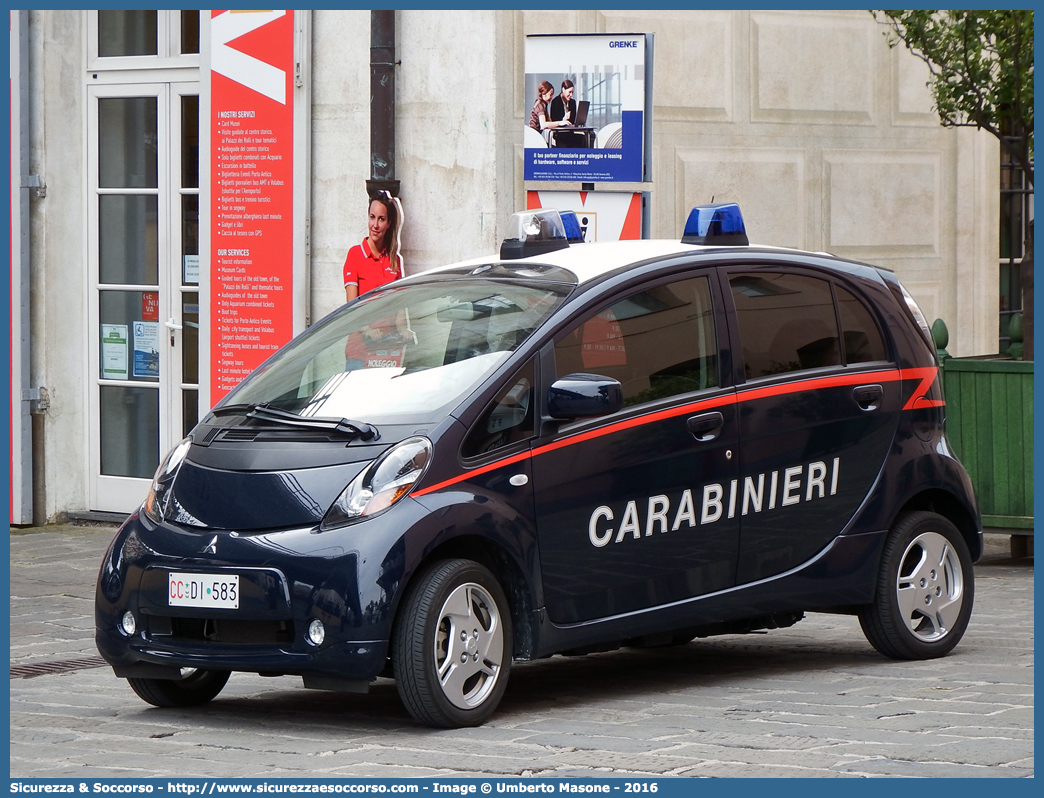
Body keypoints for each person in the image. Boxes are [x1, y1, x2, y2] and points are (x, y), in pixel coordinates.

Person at [343, 191, 403, 303]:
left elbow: (399, 308)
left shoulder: (395, 260)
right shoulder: (355, 255)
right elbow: (351, 309)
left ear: (388, 223)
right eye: (372, 217)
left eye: (381, 219)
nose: (375, 225)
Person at [549, 79, 584, 148]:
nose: (571, 95)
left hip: (570, 132)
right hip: (560, 134)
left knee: (586, 138)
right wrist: (563, 120)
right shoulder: (555, 102)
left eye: (572, 92)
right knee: (568, 143)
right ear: (563, 89)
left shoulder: (572, 102)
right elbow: (554, 121)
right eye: (569, 92)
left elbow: (573, 120)